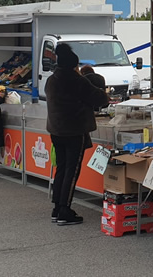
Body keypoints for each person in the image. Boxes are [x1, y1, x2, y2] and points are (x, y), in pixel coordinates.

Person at [45, 43, 107, 226]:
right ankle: (65, 210)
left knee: (61, 168)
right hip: (74, 130)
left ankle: (57, 207)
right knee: (72, 171)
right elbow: (100, 98)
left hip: (56, 130)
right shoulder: (77, 80)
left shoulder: (52, 80)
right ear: (74, 65)